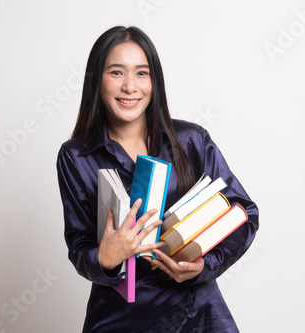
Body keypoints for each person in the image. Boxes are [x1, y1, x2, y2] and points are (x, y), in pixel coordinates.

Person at [56, 25, 259, 333]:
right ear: (97, 80)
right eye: (116, 72)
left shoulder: (190, 140)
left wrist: (206, 265)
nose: (130, 86)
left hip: (197, 314)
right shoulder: (76, 156)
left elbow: (244, 214)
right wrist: (105, 258)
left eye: (141, 73)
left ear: (154, 81)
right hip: (120, 318)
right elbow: (79, 245)